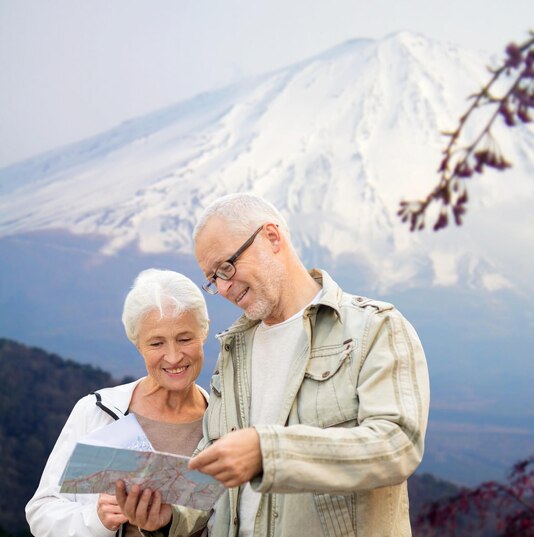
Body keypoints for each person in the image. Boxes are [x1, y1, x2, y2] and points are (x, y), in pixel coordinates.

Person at [117, 193, 430, 537]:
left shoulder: (374, 328)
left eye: (226, 268)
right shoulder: (233, 351)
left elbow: (396, 446)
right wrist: (167, 518)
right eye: (213, 278)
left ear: (272, 237)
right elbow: (212, 477)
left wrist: (269, 452)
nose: (223, 288)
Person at [26, 269, 211, 537]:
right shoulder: (97, 412)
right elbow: (41, 513)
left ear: (204, 331)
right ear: (137, 344)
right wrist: (98, 519)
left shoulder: (222, 421)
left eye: (184, 339)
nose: (173, 357)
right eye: (156, 343)